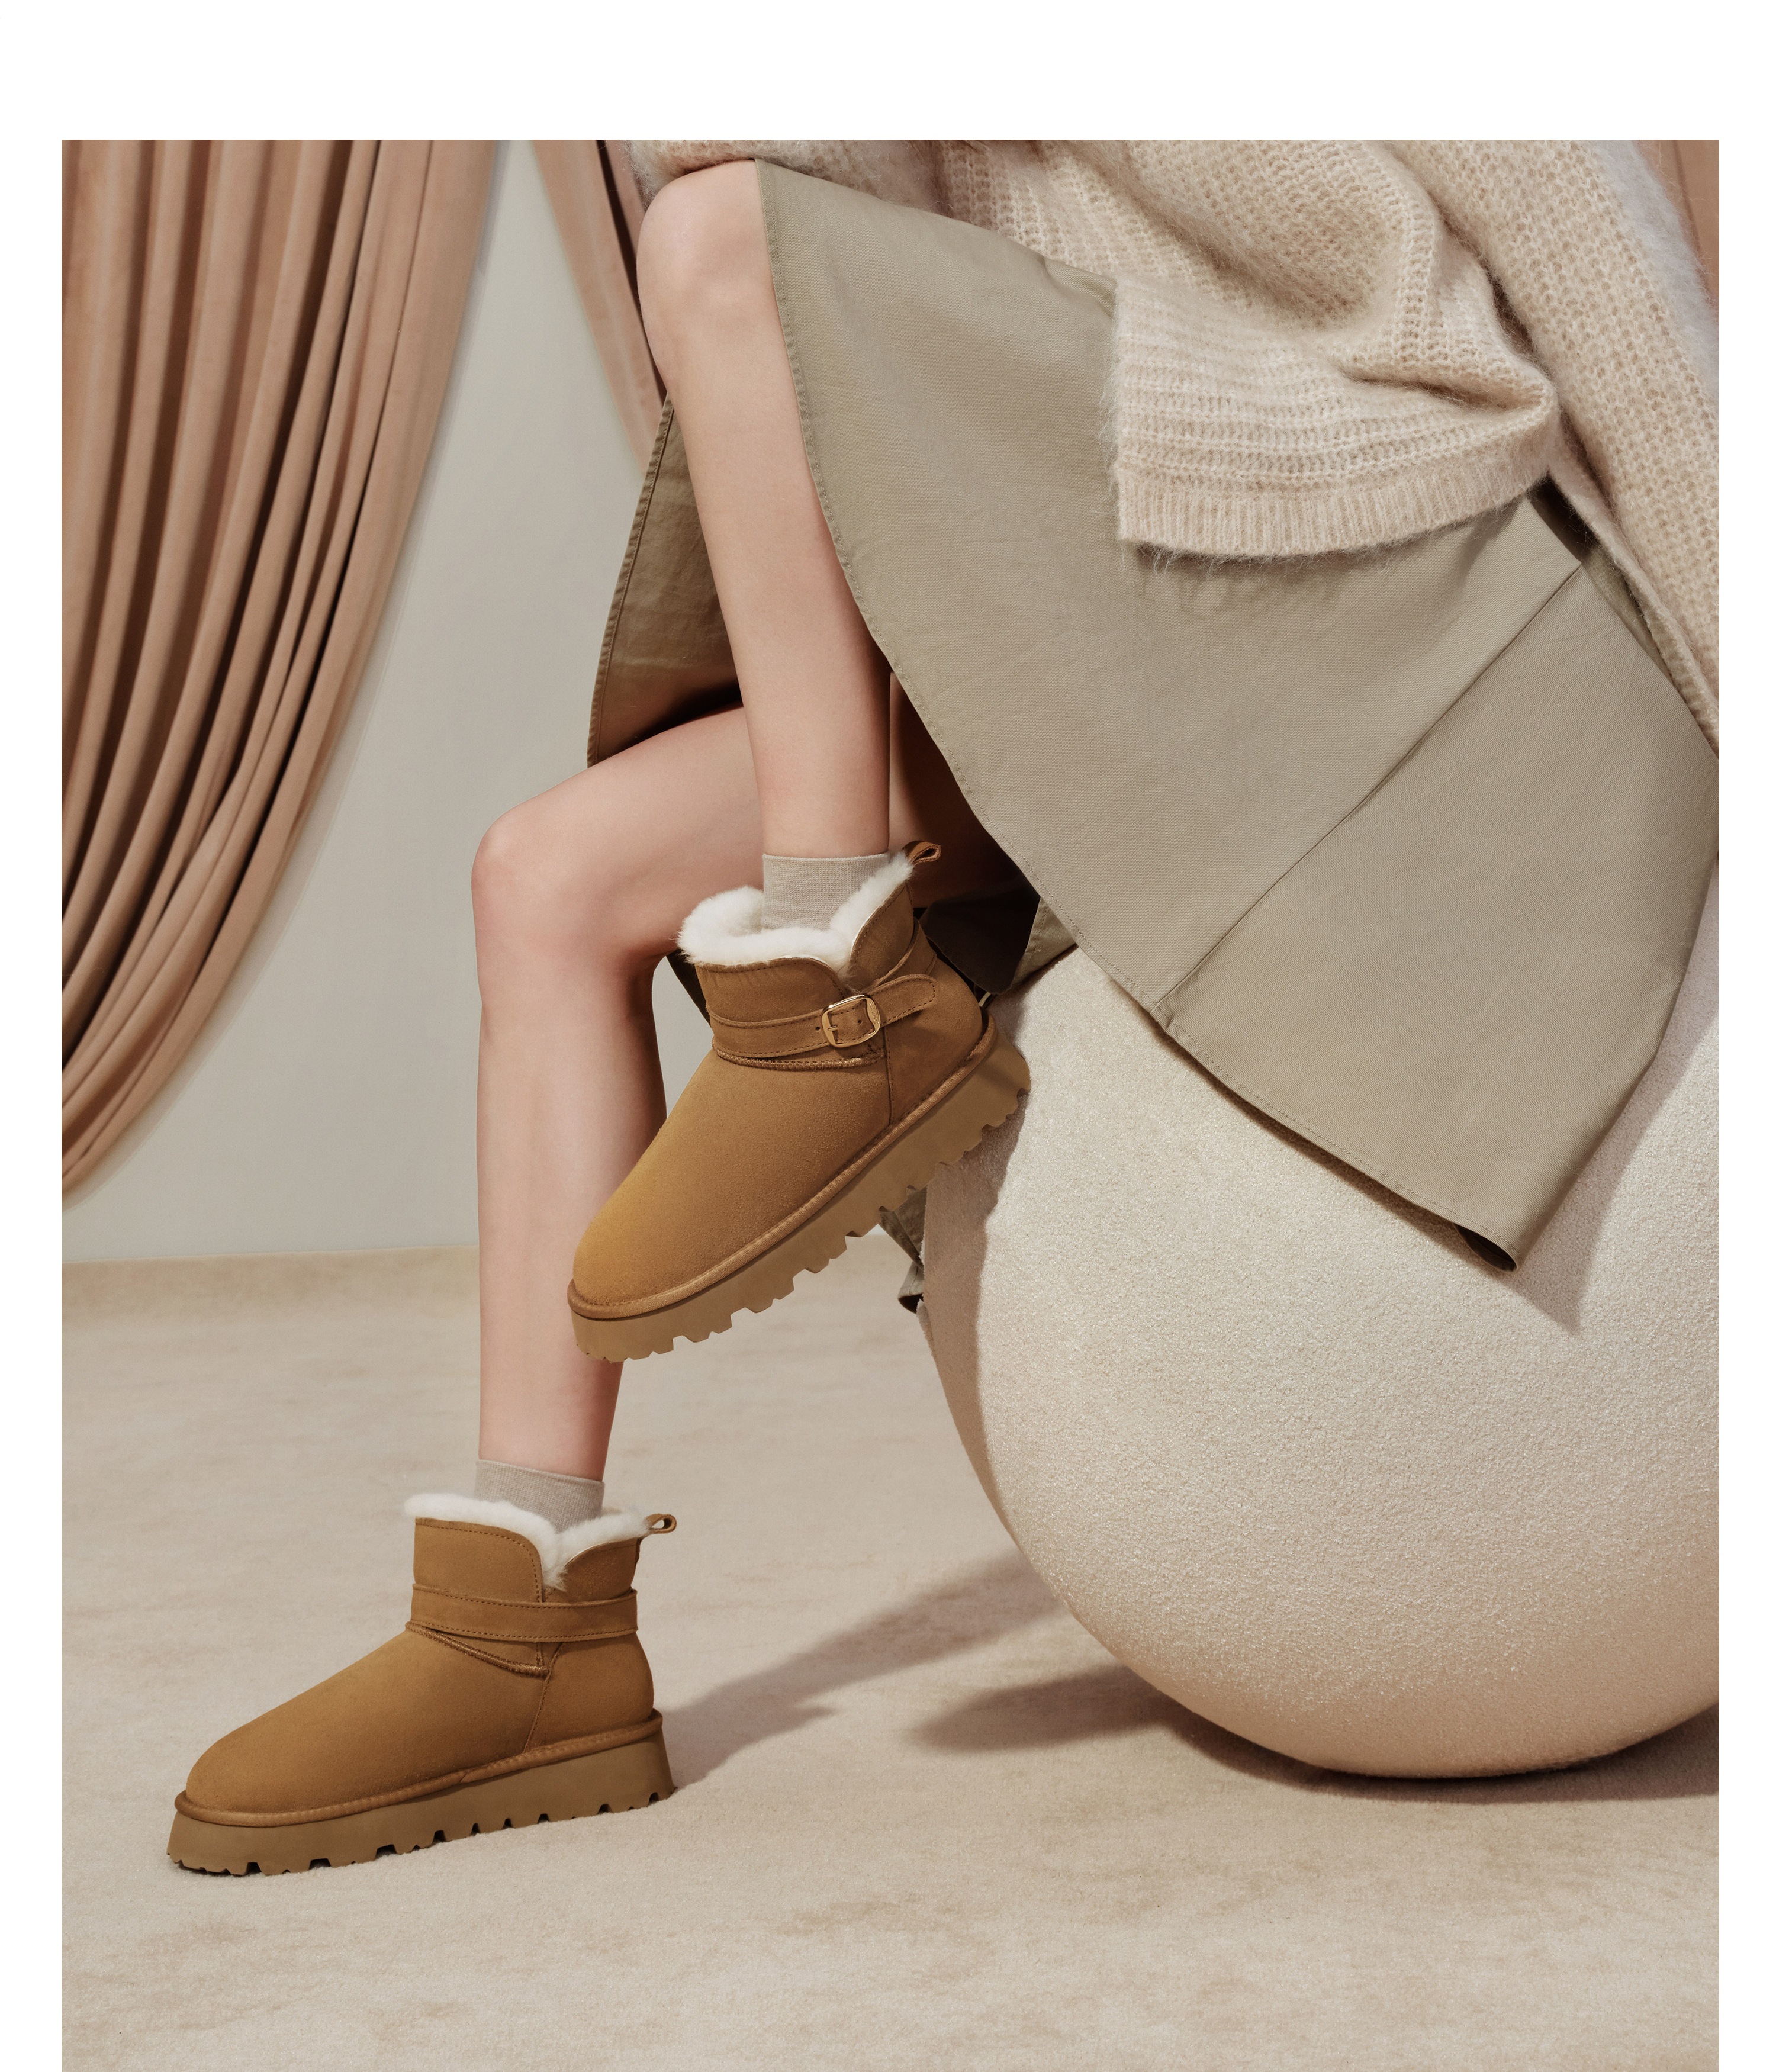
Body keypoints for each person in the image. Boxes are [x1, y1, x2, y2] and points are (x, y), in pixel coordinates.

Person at [168, 143, 1717, 1874]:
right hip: (1111, 592)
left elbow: (1620, 297)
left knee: (718, 244)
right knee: (546, 879)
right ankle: (523, 1633)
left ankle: (832, 967)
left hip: (1416, 587)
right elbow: (819, 197)